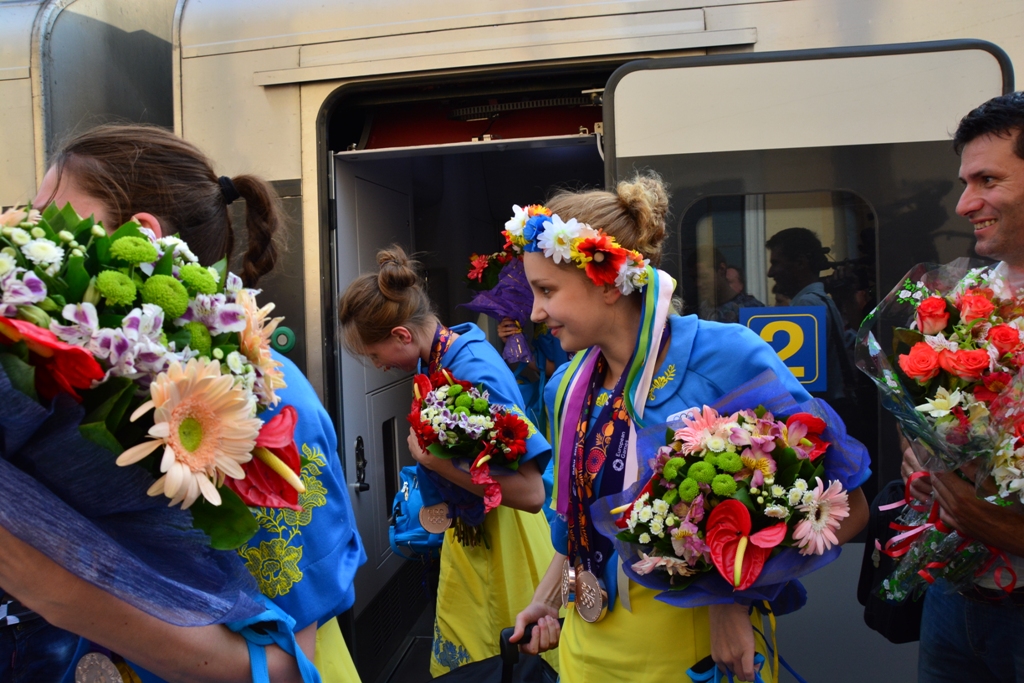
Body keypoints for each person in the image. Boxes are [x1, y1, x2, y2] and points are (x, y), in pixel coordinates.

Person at [0, 123, 365, 683]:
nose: (26, 233)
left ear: (138, 236)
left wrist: (56, 590)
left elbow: (293, 665)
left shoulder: (257, 401)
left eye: (48, 216)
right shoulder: (78, 386)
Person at [509, 173, 870, 683]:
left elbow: (845, 506)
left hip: (696, 645)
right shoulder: (565, 388)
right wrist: (547, 600)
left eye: (547, 290)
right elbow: (579, 527)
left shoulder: (724, 357)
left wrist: (734, 601)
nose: (535, 312)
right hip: (588, 646)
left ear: (607, 282)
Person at [338, 246, 556, 677]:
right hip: (480, 533)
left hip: (506, 540)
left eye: (375, 355)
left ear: (402, 335)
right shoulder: (445, 353)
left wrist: (437, 465)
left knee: (496, 665)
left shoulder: (472, 371)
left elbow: (532, 493)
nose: (379, 366)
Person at [902, 91, 1024, 683]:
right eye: (965, 182)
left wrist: (1006, 528)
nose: (964, 203)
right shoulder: (959, 299)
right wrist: (920, 457)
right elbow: (926, 418)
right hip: (956, 596)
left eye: (987, 180)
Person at [766, 228, 860, 437]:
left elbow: (803, 380)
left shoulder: (807, 305)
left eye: (776, 263)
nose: (770, 273)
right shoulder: (821, 300)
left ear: (800, 263)